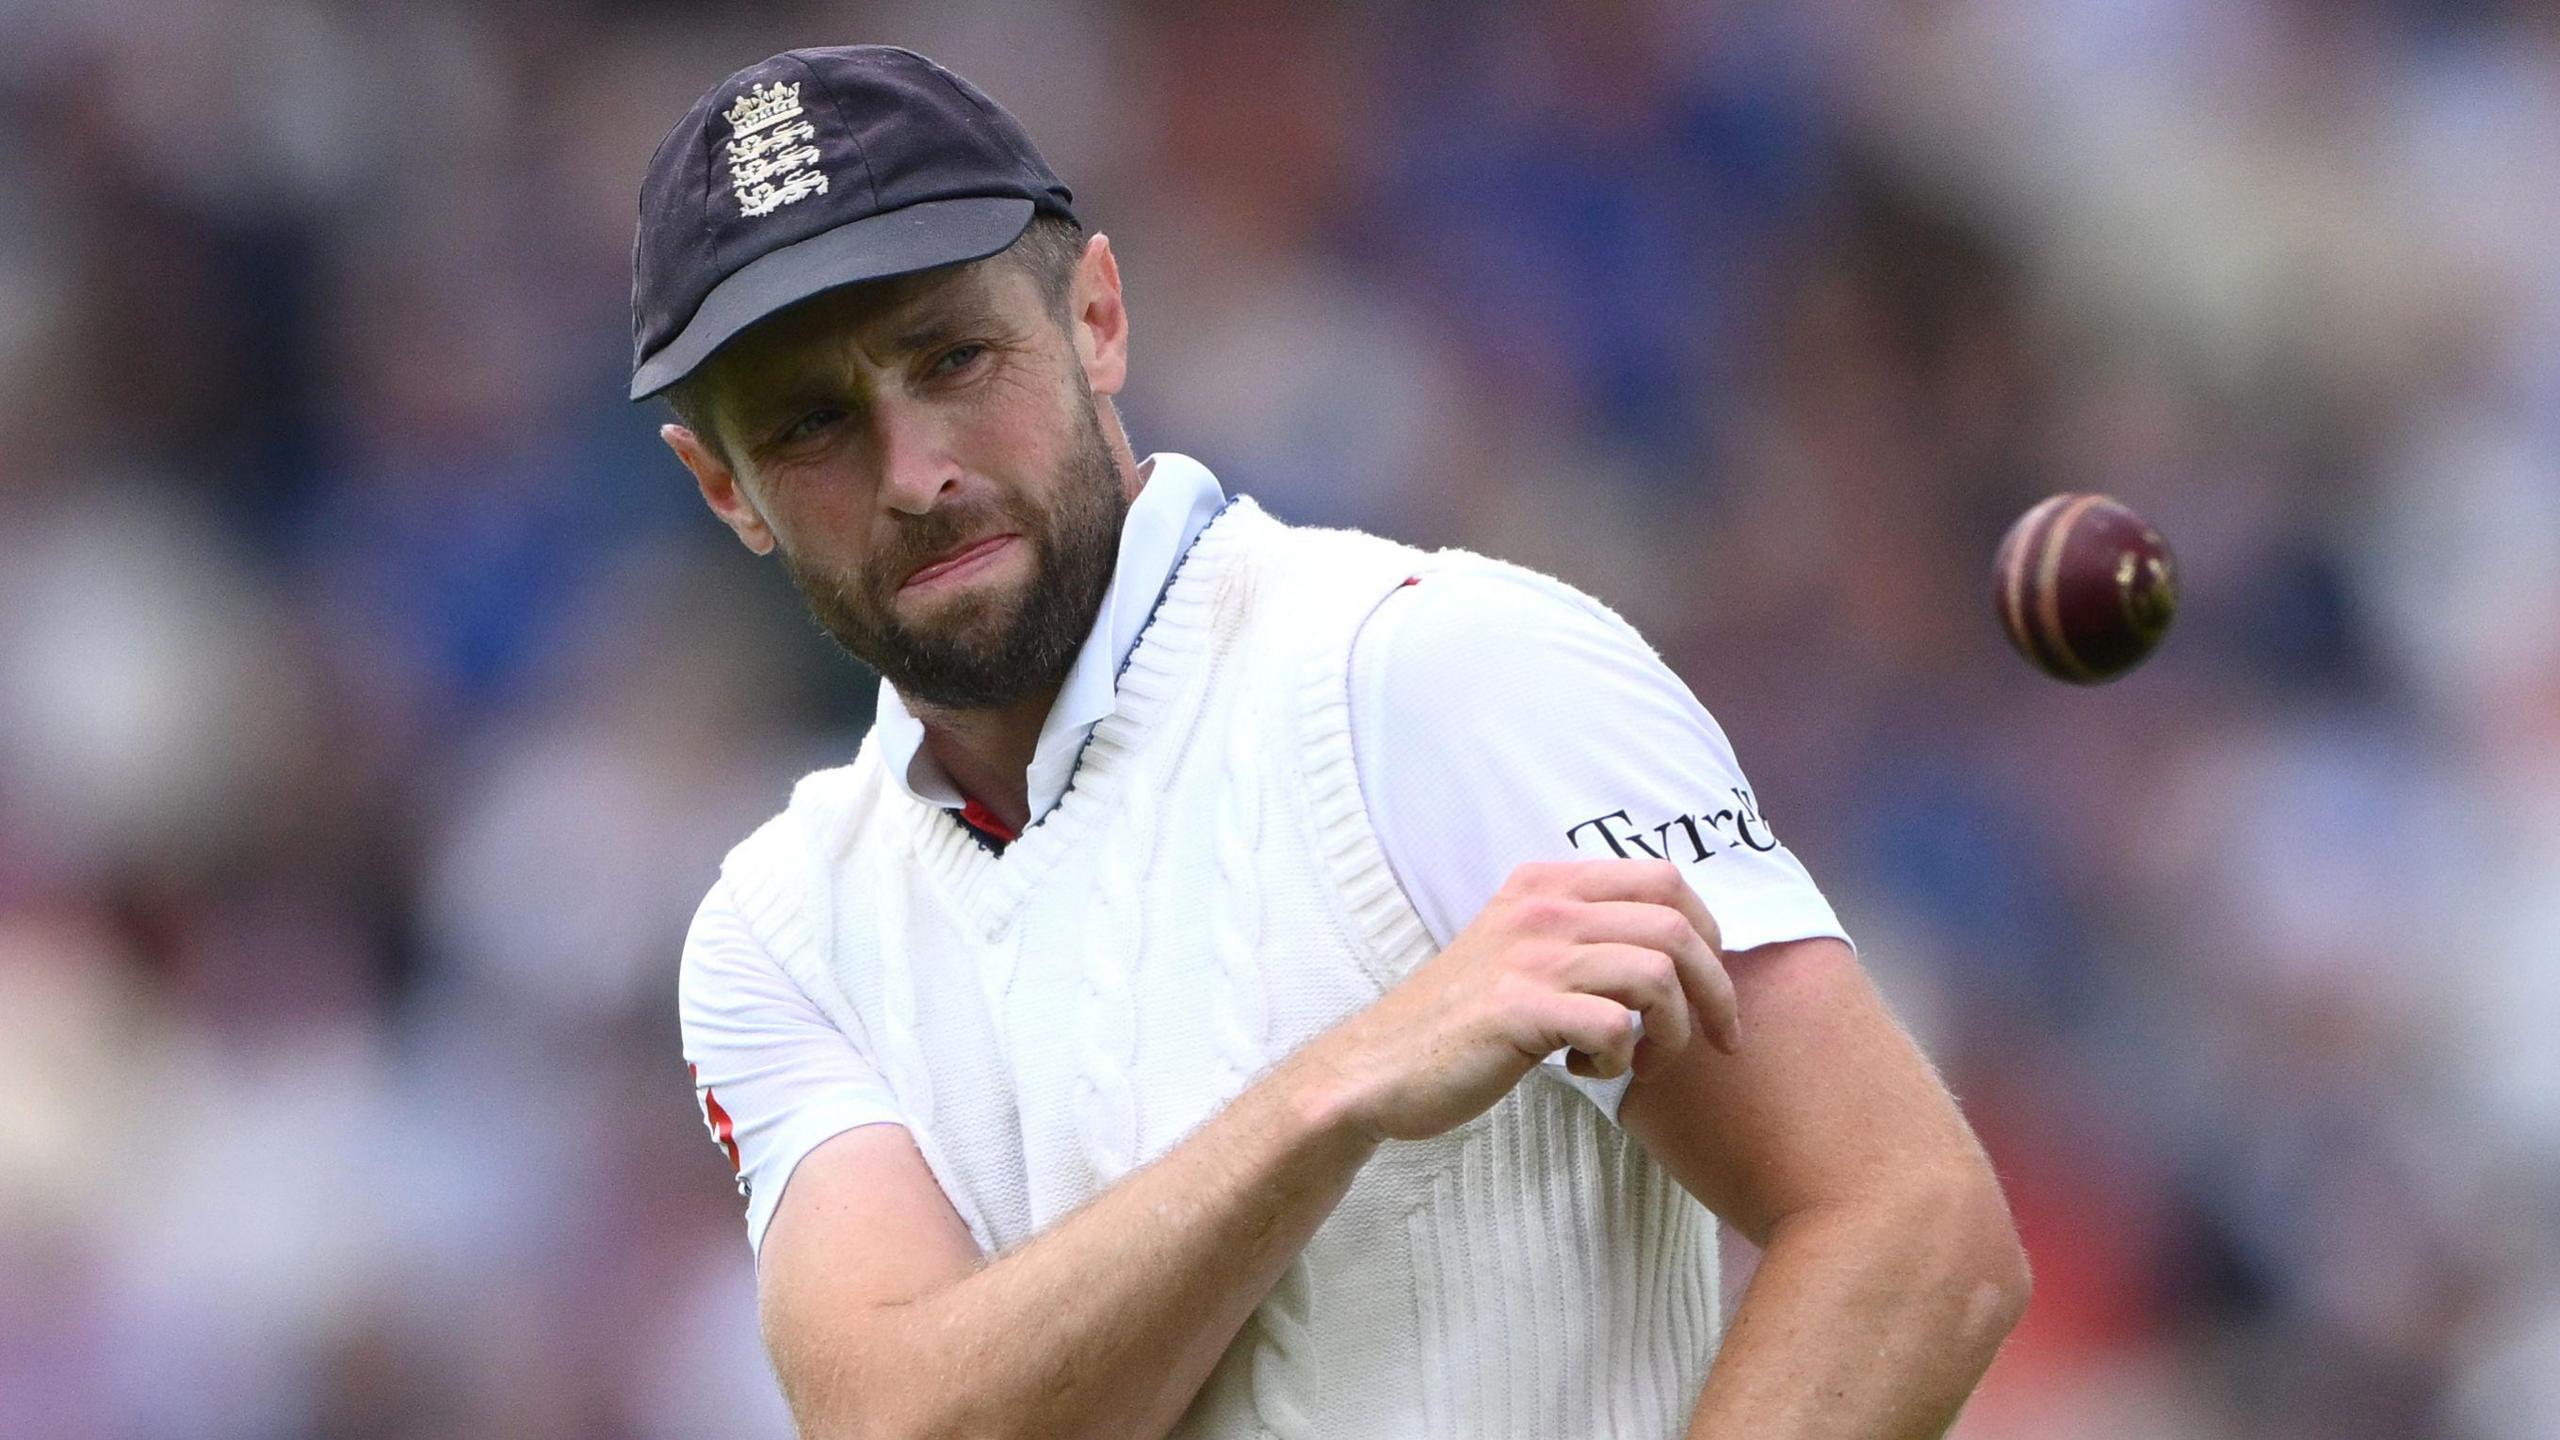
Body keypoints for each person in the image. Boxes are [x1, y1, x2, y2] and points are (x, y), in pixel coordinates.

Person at [637, 44, 2028, 1440]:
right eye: (813, 425)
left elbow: (1910, 1229)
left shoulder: (1439, 667)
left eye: (955, 357)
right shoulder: (781, 927)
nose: (917, 471)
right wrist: (1336, 1093)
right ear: (724, 489)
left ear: (1099, 317)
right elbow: (903, 1425)